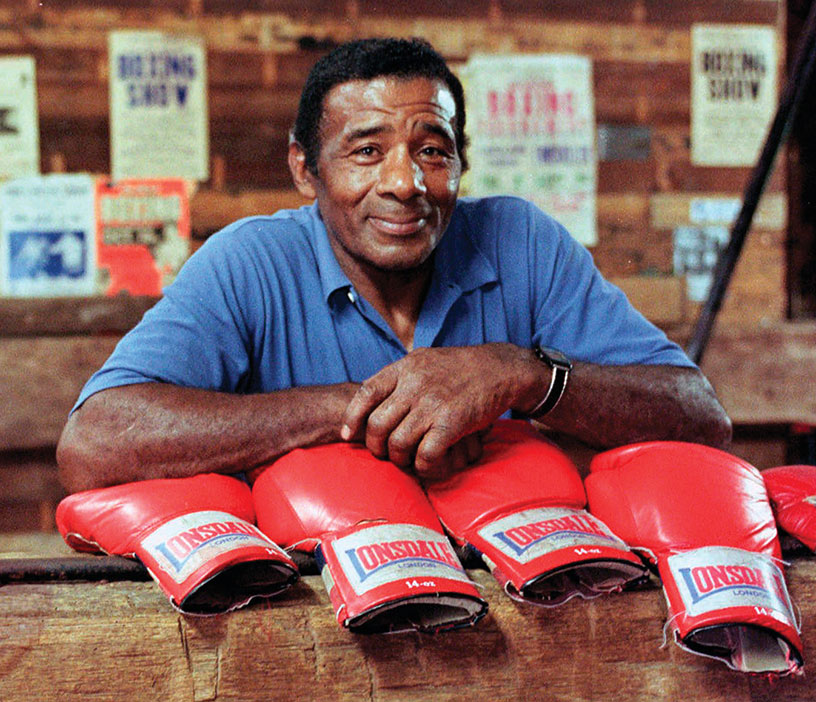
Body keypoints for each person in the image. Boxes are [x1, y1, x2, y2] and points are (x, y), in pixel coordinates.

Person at [56, 37, 731, 494]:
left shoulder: (520, 240)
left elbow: (702, 418)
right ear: (306, 168)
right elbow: (95, 441)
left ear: (461, 163)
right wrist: (356, 409)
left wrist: (523, 375)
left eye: (432, 150)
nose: (405, 183)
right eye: (367, 151)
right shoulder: (249, 262)